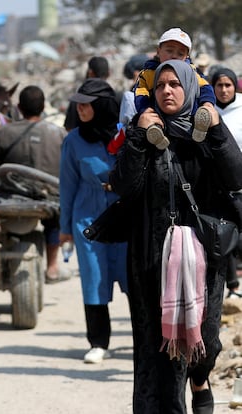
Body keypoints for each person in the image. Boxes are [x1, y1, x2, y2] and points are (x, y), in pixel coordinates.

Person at [109, 59, 242, 413]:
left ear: (190, 89)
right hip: (151, 260)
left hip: (204, 261)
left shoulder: (205, 131)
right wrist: (138, 136)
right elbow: (123, 184)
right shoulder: (144, 130)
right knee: (159, 358)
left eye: (175, 84)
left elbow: (236, 177)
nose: (167, 90)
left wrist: (217, 131)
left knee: (207, 342)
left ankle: (201, 380)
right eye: (161, 85)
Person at [59, 78, 128, 363]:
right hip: (87, 215)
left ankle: (145, 343)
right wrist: (64, 229)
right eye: (79, 104)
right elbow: (67, 185)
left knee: (133, 279)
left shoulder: (126, 134)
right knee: (93, 278)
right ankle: (98, 342)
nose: (82, 109)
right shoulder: (73, 140)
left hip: (125, 215)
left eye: (87, 104)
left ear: (102, 105)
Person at [0, 85, 67, 284]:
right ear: (43, 107)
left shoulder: (3, 133)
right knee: (55, 220)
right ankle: (52, 267)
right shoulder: (59, 134)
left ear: (19, 108)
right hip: (51, 195)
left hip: (12, 196)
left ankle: (6, 256)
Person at [134, 28, 216, 149]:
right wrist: (145, 109)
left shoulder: (191, 72)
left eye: (180, 54)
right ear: (158, 51)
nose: (174, 56)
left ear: (187, 56)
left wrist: (207, 104)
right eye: (169, 51)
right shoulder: (148, 73)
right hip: (158, 115)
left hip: (190, 117)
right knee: (153, 122)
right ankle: (157, 136)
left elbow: (205, 87)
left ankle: (199, 127)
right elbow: (141, 92)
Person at [211, 67, 242, 298]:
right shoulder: (207, 112)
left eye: (227, 85)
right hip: (217, 184)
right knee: (225, 233)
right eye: (219, 85)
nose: (223, 90)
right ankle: (232, 286)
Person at [64, 56, 111, 132]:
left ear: (90, 73)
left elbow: (69, 129)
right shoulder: (115, 97)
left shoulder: (78, 99)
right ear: (109, 73)